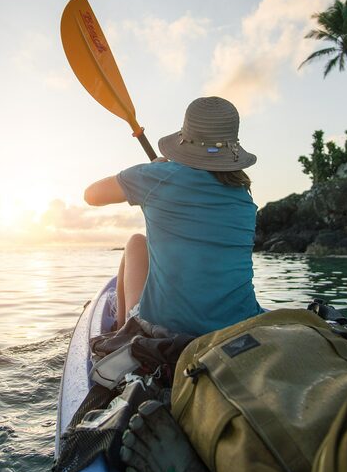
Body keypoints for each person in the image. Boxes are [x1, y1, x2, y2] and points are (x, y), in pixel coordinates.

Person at [84, 96, 261, 336]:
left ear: (185, 139)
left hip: (166, 327)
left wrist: (150, 170)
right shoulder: (244, 198)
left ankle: (123, 332)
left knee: (136, 242)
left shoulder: (157, 177)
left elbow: (91, 195)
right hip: (238, 325)